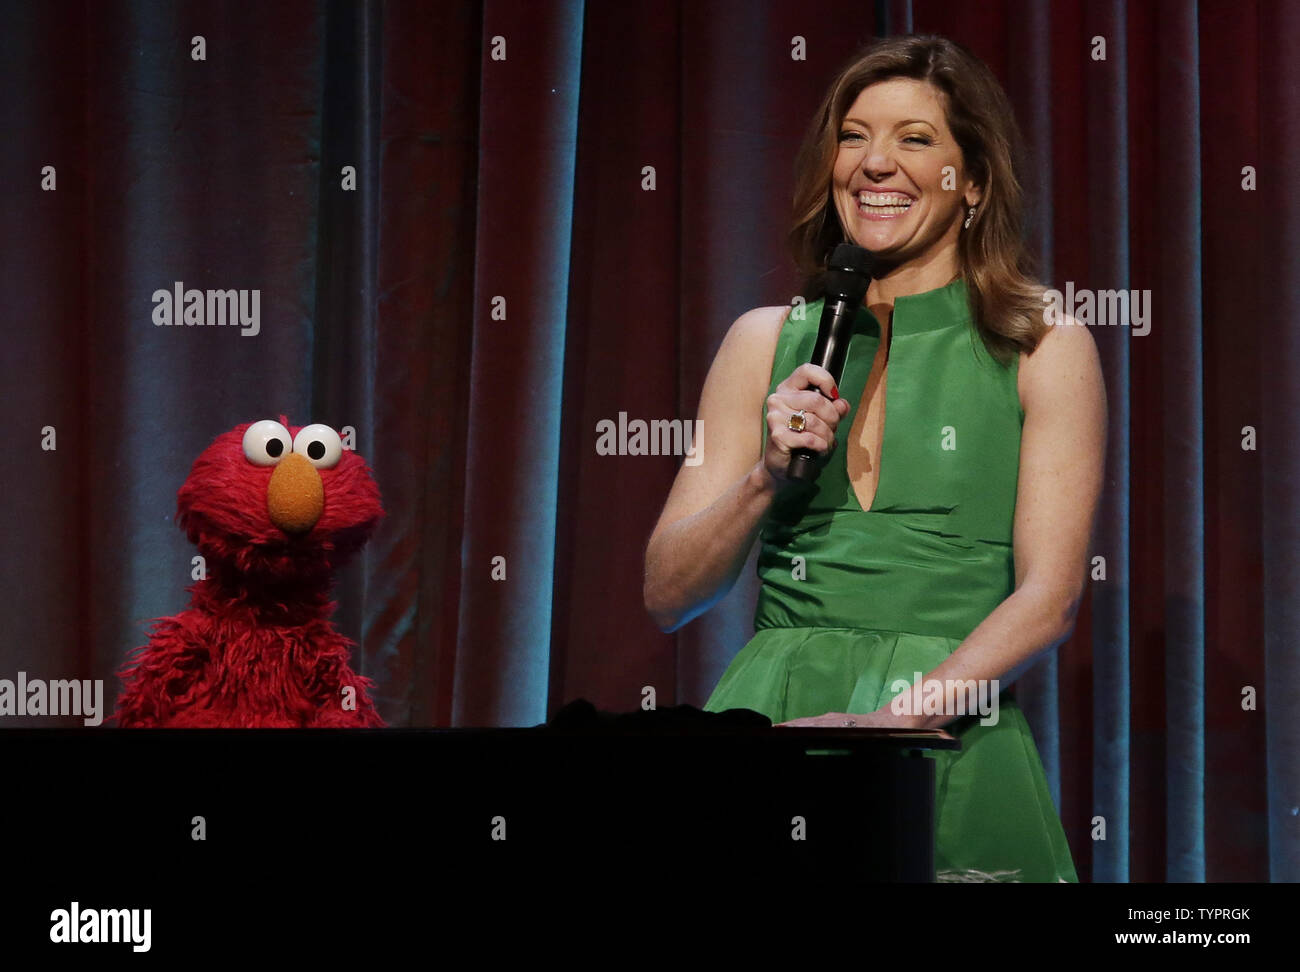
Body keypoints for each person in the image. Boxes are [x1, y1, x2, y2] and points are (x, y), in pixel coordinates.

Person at [642, 34, 1106, 883]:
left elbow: (1051, 598)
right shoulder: (761, 342)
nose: (874, 164)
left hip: (949, 740)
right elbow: (669, 593)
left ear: (974, 180)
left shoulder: (1043, 342)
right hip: (773, 731)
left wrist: (893, 726)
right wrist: (762, 480)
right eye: (853, 137)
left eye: (915, 138)